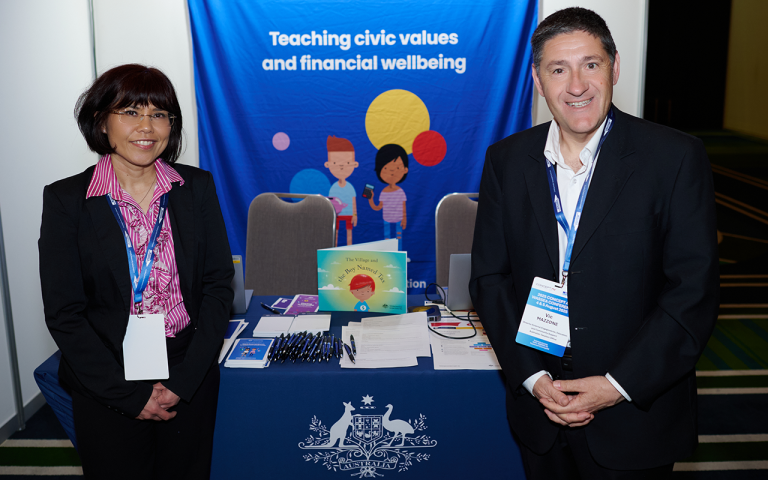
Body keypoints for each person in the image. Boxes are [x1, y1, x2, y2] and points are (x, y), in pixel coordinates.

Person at [469, 8, 719, 479]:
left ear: (615, 67)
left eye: (591, 64)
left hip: (634, 416)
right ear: (538, 83)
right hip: (538, 412)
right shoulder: (507, 160)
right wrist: (534, 378)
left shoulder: (674, 158)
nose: (576, 85)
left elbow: (693, 293)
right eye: (558, 69)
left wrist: (616, 385)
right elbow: (490, 278)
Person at [38, 64, 234, 479]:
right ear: (100, 121)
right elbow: (64, 312)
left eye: (158, 114)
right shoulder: (66, 201)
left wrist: (184, 379)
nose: (146, 126)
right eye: (130, 111)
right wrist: (126, 395)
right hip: (105, 377)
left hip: (188, 370)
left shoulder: (195, 188)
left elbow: (218, 286)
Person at [368, 144, 409, 250]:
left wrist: (404, 218)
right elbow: (378, 207)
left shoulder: (400, 192)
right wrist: (370, 199)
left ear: (405, 170)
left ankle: (399, 254)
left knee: (398, 236)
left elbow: (403, 206)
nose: (392, 171)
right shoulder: (384, 192)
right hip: (387, 218)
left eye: (397, 168)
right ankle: (388, 255)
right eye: (386, 168)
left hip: (399, 219)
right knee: (387, 237)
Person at [325, 135, 359, 246]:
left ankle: (349, 249)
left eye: (347, 163)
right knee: (336, 232)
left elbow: (353, 201)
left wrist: (355, 214)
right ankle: (335, 249)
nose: (341, 166)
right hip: (336, 215)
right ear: (328, 164)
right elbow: (330, 202)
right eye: (335, 163)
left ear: (354, 164)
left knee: (349, 232)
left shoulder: (350, 187)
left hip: (349, 214)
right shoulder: (333, 187)